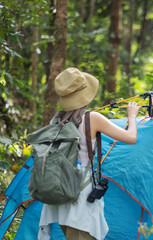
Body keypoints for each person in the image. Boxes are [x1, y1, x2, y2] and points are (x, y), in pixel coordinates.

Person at [38, 67, 140, 240]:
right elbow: (131, 138)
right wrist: (132, 116)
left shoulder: (56, 120)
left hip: (60, 192)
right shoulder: (92, 118)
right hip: (80, 194)